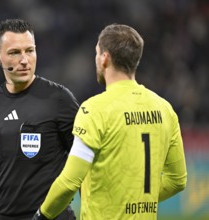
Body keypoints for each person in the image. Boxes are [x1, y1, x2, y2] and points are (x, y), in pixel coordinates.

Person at [33, 24, 187, 220]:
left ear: (105, 58)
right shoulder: (165, 109)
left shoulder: (95, 109)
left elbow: (70, 182)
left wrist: (41, 215)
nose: (96, 59)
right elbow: (177, 180)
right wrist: (134, 201)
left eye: (97, 53)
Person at [0, 18, 79, 220]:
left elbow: (83, 161)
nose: (24, 60)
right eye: (15, 53)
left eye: (30, 50)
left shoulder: (59, 99)